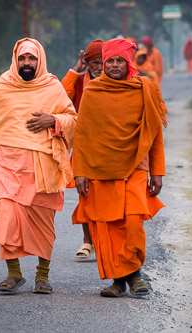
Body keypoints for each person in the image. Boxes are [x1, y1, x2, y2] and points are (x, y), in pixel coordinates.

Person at [0, 38, 77, 295]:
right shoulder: (3, 85)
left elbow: (74, 119)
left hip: (43, 169)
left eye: (32, 58)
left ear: (40, 61)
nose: (27, 63)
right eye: (22, 58)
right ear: (15, 60)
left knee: (43, 224)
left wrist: (53, 119)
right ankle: (14, 273)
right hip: (8, 167)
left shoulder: (52, 86)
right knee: (7, 218)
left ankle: (42, 275)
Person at [72, 38, 167, 297]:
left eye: (119, 61)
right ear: (103, 64)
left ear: (129, 63)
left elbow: (155, 134)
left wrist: (157, 171)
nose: (114, 66)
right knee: (109, 227)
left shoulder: (145, 88)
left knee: (133, 222)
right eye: (110, 61)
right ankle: (118, 280)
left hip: (136, 166)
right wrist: (79, 171)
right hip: (100, 169)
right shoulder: (93, 92)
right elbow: (82, 135)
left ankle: (135, 274)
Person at [60, 39, 104, 260]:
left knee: (108, 196)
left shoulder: (118, 82)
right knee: (84, 194)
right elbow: (59, 98)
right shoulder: (79, 82)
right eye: (95, 62)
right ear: (87, 63)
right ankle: (87, 242)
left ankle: (104, 241)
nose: (100, 67)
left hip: (111, 150)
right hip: (84, 148)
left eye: (103, 62)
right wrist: (75, 72)